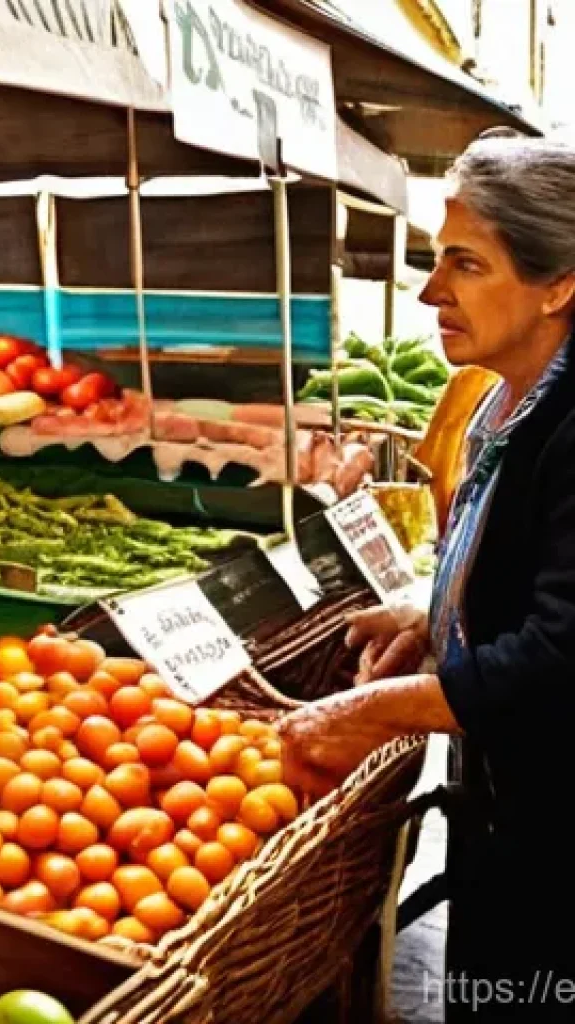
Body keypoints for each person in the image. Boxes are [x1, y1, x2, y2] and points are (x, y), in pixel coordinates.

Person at [277, 133, 575, 1021]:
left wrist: (371, 711)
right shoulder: (502, 399)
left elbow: (559, 656)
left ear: (559, 285)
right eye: (438, 259)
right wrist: (441, 616)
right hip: (509, 808)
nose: (429, 291)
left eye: (465, 264)